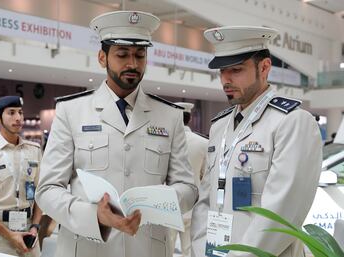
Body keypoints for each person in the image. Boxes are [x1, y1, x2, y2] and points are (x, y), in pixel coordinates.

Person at [35, 10, 198, 257]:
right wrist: (94, 216)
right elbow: (47, 190)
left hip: (148, 248)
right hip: (88, 247)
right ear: (102, 58)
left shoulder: (169, 115)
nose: (132, 64)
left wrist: (158, 202)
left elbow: (188, 187)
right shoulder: (72, 111)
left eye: (140, 55)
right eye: (122, 55)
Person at [190, 26, 322, 257]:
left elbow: (282, 212)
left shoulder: (292, 123)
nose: (226, 79)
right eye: (222, 71)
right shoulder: (220, 126)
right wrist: (201, 251)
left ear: (264, 67)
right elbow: (206, 201)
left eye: (236, 70)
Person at [0, 96, 43, 257]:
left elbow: (41, 191)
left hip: (28, 229)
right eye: (11, 113)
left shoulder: (34, 150)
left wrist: (35, 226)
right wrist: (8, 234)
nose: (18, 118)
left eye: (20, 112)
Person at [170, 102, 208, 257]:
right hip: (193, 208)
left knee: (165, 251)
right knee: (190, 251)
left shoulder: (167, 141)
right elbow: (206, 177)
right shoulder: (203, 143)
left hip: (169, 207)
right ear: (190, 118)